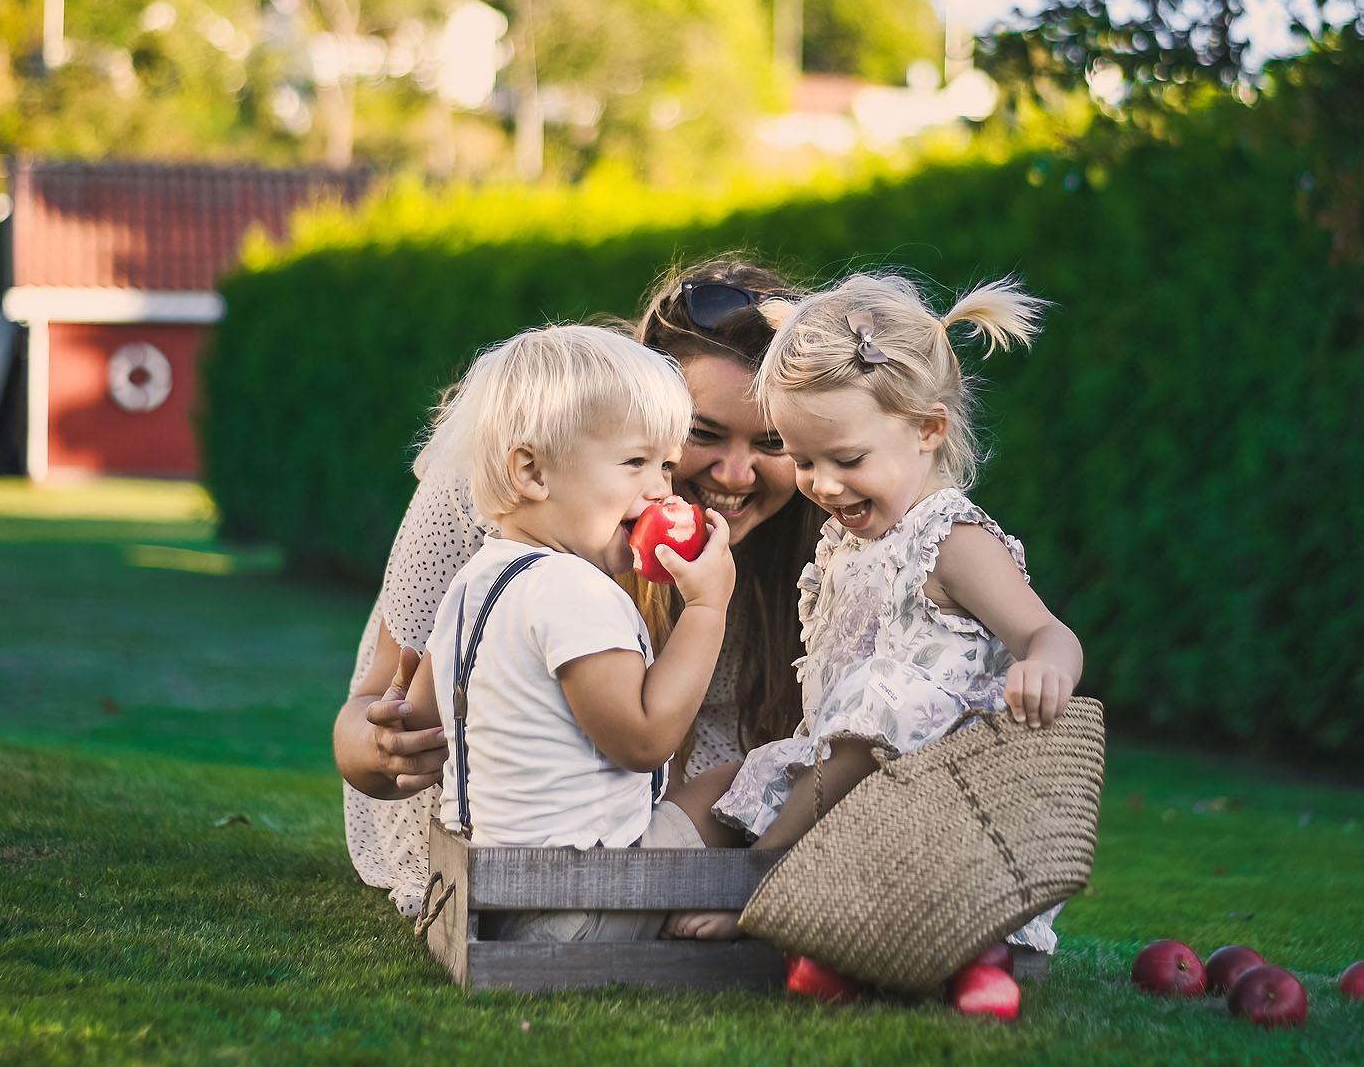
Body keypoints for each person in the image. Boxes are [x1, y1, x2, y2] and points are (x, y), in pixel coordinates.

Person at [333, 257, 824, 917]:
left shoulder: (831, 520)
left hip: (494, 868)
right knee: (750, 783)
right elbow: (644, 740)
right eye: (696, 437)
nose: (733, 473)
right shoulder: (561, 570)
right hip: (574, 872)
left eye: (773, 442)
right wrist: (384, 747)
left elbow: (422, 701)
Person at [678, 272, 1087, 951]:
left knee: (875, 703)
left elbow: (1047, 630)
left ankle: (760, 884)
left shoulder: (950, 539)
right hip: (840, 766)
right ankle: (622, 877)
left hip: (923, 776)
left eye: (846, 458)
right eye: (803, 459)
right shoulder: (847, 537)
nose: (823, 484)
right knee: (716, 792)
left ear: (928, 429)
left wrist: (1045, 664)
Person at [370, 324, 739, 943]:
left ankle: (667, 909)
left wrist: (397, 720)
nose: (661, 491)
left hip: (486, 895)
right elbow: (644, 741)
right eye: (635, 462)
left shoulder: (472, 583)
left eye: (667, 466)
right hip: (578, 901)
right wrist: (707, 609)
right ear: (532, 472)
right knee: (736, 784)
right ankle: (695, 911)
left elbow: (421, 723)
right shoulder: (576, 591)